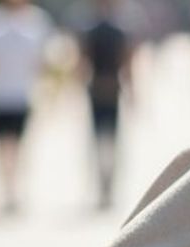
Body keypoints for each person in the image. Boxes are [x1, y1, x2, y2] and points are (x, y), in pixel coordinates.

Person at [0, 0, 54, 213]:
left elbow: (42, 61)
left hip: (23, 95)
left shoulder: (38, 20)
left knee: (18, 146)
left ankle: (14, 189)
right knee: (0, 147)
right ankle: (7, 189)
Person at [76, 0, 136, 210]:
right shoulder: (118, 31)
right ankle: (106, 185)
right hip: (111, 89)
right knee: (109, 140)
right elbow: (127, 64)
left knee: (101, 140)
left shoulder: (91, 31)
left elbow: (81, 64)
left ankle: (105, 186)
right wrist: (133, 93)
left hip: (98, 88)